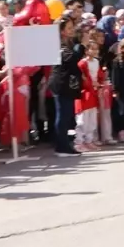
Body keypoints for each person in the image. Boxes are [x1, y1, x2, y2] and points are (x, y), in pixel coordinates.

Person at [48, 18, 85, 156]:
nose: (72, 30)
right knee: (62, 115)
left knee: (66, 114)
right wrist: (82, 46)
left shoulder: (69, 43)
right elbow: (71, 59)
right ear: (62, 31)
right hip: (61, 83)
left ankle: (64, 144)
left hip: (68, 83)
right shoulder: (59, 45)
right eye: (69, 28)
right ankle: (61, 146)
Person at [74, 38, 105, 152]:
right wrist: (91, 84)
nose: (95, 51)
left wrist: (99, 84)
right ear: (86, 51)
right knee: (82, 119)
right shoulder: (82, 63)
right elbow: (81, 78)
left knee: (92, 119)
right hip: (84, 93)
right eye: (92, 49)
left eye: (97, 49)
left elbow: (100, 75)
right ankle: (79, 142)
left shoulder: (96, 62)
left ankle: (89, 140)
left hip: (94, 92)